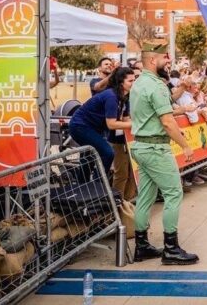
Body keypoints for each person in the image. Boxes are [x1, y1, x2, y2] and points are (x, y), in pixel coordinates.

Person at [130, 43, 198, 265]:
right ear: (152, 61)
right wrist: (185, 145)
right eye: (164, 59)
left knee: (146, 197)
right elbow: (167, 122)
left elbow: (162, 111)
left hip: (141, 146)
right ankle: (171, 248)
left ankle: (141, 246)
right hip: (155, 147)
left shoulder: (139, 84)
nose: (168, 62)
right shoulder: (156, 86)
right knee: (173, 193)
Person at [69, 67, 135, 183]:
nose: (134, 83)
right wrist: (135, 124)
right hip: (80, 126)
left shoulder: (124, 97)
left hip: (93, 128)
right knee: (107, 153)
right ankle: (99, 186)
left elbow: (126, 120)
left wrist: (134, 123)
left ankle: (84, 187)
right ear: (120, 82)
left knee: (88, 158)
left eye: (135, 80)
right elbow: (111, 124)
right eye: (130, 81)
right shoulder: (111, 96)